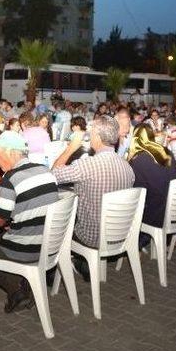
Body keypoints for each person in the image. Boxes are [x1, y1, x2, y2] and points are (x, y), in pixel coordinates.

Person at [0, 131, 59, 312]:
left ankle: (17, 287)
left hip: (26, 249)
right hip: (48, 246)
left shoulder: (11, 178)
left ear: (10, 152)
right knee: (0, 236)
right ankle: (23, 279)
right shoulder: (45, 170)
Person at [52, 116, 135, 279]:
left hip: (91, 237)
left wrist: (71, 148)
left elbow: (53, 175)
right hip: (118, 234)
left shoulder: (87, 165)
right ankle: (84, 263)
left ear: (97, 137)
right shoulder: (127, 166)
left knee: (55, 226)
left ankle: (55, 272)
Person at [127, 124, 176, 249]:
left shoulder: (139, 160)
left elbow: (137, 192)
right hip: (174, 209)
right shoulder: (167, 152)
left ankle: (135, 245)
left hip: (156, 215)